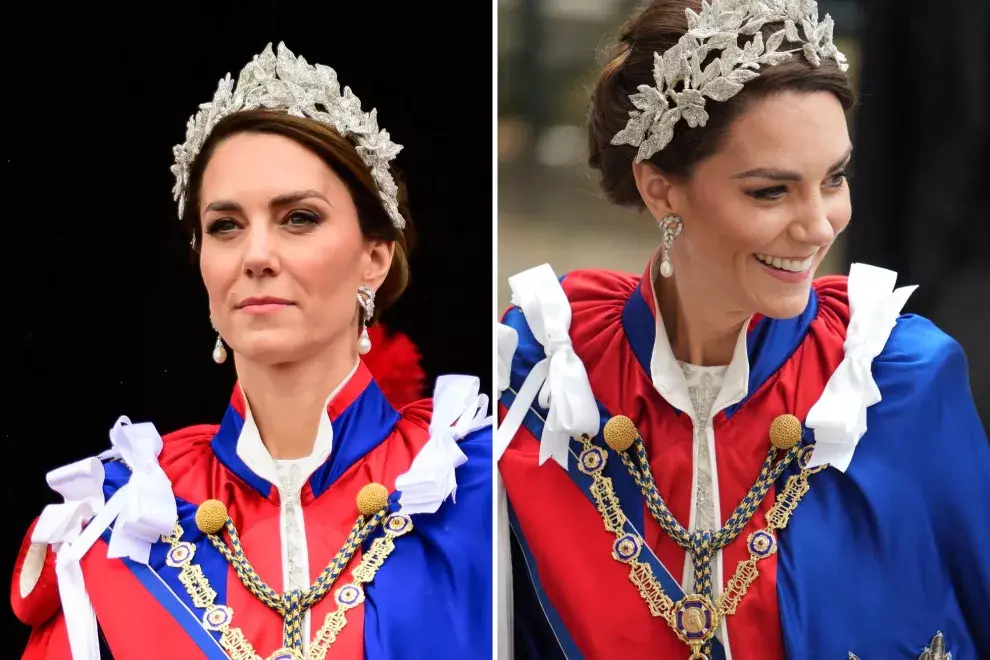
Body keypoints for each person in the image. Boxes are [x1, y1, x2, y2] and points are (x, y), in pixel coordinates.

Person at [495, 1, 990, 659]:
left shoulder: (896, 377)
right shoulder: (545, 380)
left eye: (835, 178)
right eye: (770, 191)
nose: (820, 225)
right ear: (661, 190)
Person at [11, 42, 492, 660]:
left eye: (298, 218)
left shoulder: (474, 483)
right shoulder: (123, 521)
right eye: (226, 226)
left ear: (376, 257)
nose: (256, 255)